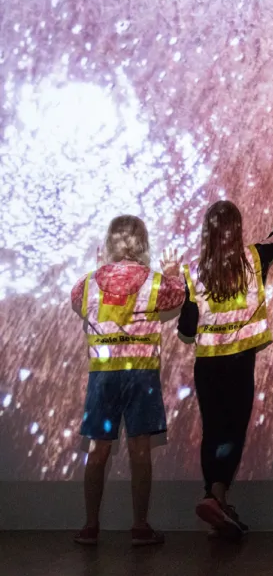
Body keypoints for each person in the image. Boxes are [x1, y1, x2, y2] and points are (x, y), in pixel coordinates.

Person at [178, 151, 273, 539]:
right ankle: (217, 495)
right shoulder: (253, 260)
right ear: (238, 229)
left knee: (213, 429)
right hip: (239, 364)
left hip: (207, 366)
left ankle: (215, 497)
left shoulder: (194, 273)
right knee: (232, 431)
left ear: (206, 233)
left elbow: (185, 331)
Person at [70, 216, 185, 547]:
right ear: (142, 243)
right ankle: (140, 526)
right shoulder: (155, 281)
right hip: (141, 375)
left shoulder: (87, 283)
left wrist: (96, 269)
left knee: (97, 450)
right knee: (139, 451)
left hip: (102, 376)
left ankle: (90, 526)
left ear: (110, 242)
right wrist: (174, 273)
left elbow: (78, 300)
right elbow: (177, 296)